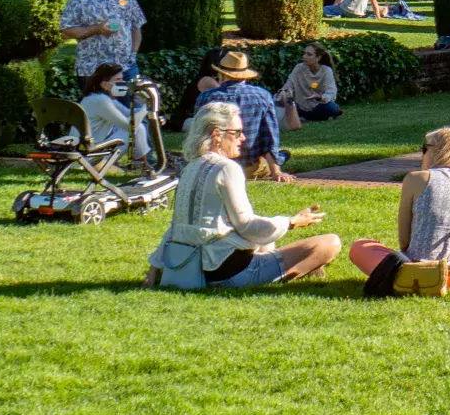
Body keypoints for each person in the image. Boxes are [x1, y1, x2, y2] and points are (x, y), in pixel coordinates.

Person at [144, 102, 340, 290]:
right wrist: (291, 222)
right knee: (329, 243)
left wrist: (155, 267)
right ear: (216, 135)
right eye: (237, 132)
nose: (243, 138)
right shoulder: (227, 168)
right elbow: (247, 225)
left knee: (265, 236)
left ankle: (287, 264)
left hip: (191, 268)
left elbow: (177, 226)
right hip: (227, 275)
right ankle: (293, 271)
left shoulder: (191, 167)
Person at [348, 126, 450, 293]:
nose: (421, 155)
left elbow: (404, 241)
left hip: (417, 272)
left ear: (435, 152)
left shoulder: (416, 179)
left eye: (424, 149)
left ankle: (411, 280)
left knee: (360, 247)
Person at [195, 51, 292, 182]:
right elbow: (269, 137)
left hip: (212, 167)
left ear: (222, 74)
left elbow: (198, 135)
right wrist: (276, 171)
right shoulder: (262, 96)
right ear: (245, 75)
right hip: (248, 168)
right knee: (283, 155)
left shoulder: (205, 97)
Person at [60, 0, 146, 80]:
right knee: (98, 101)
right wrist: (97, 29)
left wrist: (132, 54)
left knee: (127, 101)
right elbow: (66, 32)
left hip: (125, 68)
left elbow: (136, 27)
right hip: (93, 70)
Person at [79, 64, 158, 169]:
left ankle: (142, 164)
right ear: (104, 83)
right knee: (137, 128)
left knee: (138, 127)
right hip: (90, 156)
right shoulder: (101, 101)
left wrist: (145, 103)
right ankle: (144, 165)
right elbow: (130, 126)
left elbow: (128, 113)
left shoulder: (99, 97)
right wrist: (146, 107)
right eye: (117, 79)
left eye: (122, 79)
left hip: (87, 150)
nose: (122, 83)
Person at [278, 43, 342, 122]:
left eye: (309, 54)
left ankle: (306, 117)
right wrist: (283, 93)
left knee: (331, 107)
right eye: (304, 53)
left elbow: (331, 93)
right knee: (284, 105)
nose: (304, 56)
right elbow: (289, 85)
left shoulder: (326, 71)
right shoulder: (299, 68)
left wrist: (319, 97)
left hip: (319, 106)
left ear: (318, 58)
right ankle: (308, 117)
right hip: (300, 107)